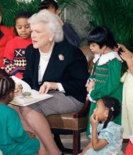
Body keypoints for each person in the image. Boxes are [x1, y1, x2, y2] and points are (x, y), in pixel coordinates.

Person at [20, 10, 89, 155]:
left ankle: (53, 152)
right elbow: (27, 78)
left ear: (52, 35)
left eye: (37, 32)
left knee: (27, 108)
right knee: (11, 105)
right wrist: (17, 89)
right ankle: (40, 150)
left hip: (70, 96)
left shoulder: (71, 52)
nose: (32, 35)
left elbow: (81, 84)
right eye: (32, 31)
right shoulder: (31, 51)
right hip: (40, 96)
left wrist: (55, 85)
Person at [0, 76, 40, 154]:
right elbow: (16, 135)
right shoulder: (11, 112)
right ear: (11, 94)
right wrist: (27, 135)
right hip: (8, 149)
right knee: (34, 143)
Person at [86, 26, 123, 136]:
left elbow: (112, 83)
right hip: (99, 94)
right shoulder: (99, 57)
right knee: (96, 119)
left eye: (93, 45)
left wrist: (95, 94)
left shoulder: (113, 60)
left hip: (108, 96)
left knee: (107, 122)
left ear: (105, 45)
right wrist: (91, 81)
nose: (90, 48)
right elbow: (94, 73)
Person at [3, 12, 33, 79]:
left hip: (34, 79)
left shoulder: (36, 41)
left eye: (27, 27)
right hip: (17, 79)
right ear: (15, 28)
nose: (23, 30)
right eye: (19, 27)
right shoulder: (12, 43)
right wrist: (19, 76)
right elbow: (7, 63)